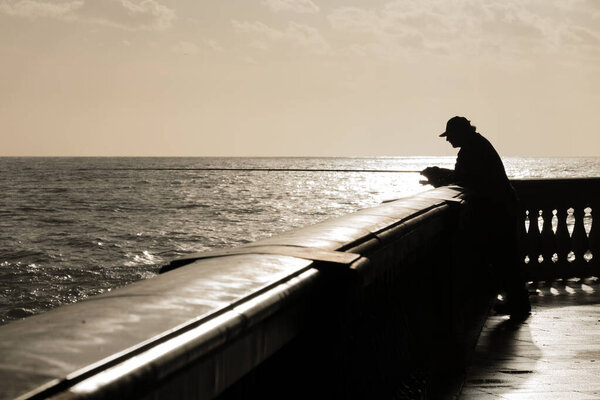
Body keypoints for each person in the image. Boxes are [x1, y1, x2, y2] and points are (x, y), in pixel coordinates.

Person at [421, 116, 531, 320]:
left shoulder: (471, 150)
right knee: (506, 258)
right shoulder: (476, 145)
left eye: (450, 136)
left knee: (504, 258)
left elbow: (465, 178)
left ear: (459, 133)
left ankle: (518, 304)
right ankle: (518, 303)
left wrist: (437, 178)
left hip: (498, 210)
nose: (447, 140)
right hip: (503, 207)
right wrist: (439, 174)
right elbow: (465, 176)